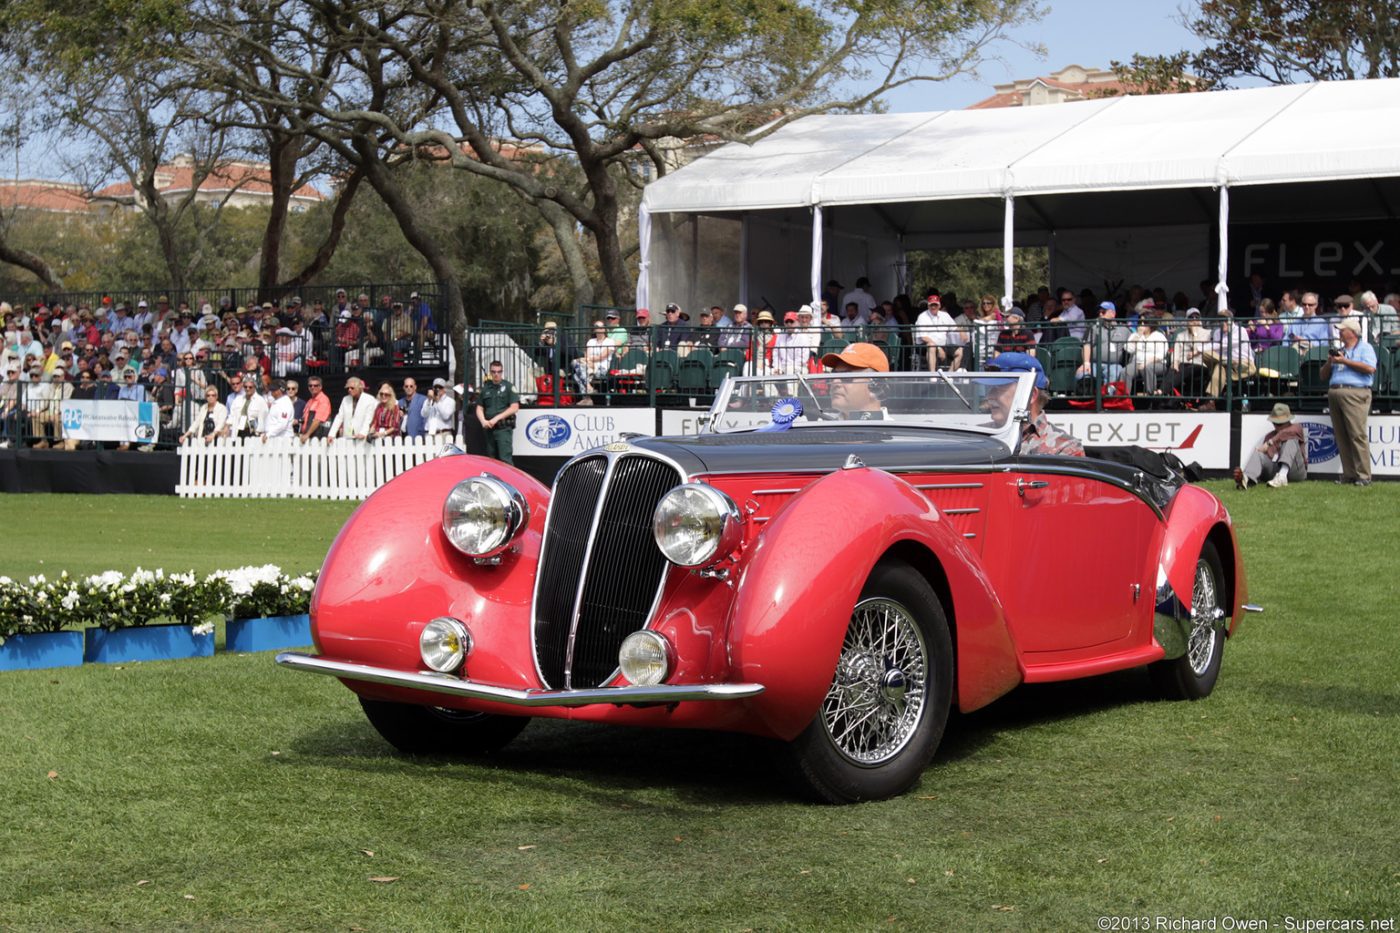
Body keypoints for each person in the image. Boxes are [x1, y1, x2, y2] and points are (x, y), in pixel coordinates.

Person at [986, 352, 1084, 456]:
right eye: (990, 388)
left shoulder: (1065, 447)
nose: (989, 396)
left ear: (1030, 394)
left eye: (1000, 388)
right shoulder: (979, 436)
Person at [1321, 316, 1377, 486]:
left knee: (1357, 434)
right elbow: (1323, 376)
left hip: (1356, 393)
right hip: (1335, 391)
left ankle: (1364, 475)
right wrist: (1330, 362)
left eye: (1342, 330)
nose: (1339, 332)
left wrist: (1345, 360)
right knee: (1341, 435)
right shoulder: (1339, 350)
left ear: (1352, 332)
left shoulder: (1365, 348)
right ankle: (1349, 474)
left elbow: (1370, 368)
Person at [1235, 403, 1306, 489]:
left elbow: (1286, 433)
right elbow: (1270, 456)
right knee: (1258, 453)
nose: (1277, 426)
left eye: (1280, 423)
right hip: (1275, 470)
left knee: (1290, 441)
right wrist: (1262, 452)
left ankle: (1282, 476)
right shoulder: (1269, 436)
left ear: (1288, 421)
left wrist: (1271, 442)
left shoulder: (1296, 428)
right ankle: (1246, 478)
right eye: (1275, 423)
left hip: (1296, 472)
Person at [819, 342, 888, 418]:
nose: (835, 382)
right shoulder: (822, 428)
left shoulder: (895, 429)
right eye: (833, 374)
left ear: (876, 385)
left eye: (846, 376)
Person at [476, 360, 520, 463]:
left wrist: (496, 418)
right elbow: (479, 407)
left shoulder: (508, 387)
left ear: (502, 372)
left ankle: (508, 480)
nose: (496, 374)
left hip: (503, 429)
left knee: (505, 459)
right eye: (494, 372)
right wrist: (483, 421)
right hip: (489, 429)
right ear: (490, 372)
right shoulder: (486, 388)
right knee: (491, 460)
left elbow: (514, 407)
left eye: (499, 372)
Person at [914, 294, 961, 372]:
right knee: (931, 346)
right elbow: (924, 337)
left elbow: (954, 328)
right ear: (928, 306)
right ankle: (933, 376)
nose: (933, 307)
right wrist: (938, 348)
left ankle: (949, 376)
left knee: (960, 351)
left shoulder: (945, 315)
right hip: (925, 346)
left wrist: (962, 332)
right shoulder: (922, 317)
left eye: (935, 305)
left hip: (944, 345)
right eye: (931, 305)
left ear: (939, 305)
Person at [1123, 319, 1170, 394]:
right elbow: (1128, 349)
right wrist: (1138, 336)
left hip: (1156, 364)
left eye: (1144, 323)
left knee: (1148, 368)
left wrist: (1146, 362)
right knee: (1125, 371)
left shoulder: (1159, 336)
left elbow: (1161, 355)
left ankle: (1151, 394)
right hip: (1136, 363)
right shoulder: (1135, 335)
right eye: (1140, 323)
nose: (1141, 325)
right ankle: (1124, 397)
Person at [327, 376, 374, 441]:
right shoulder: (345, 399)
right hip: (347, 435)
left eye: (352, 388)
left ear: (359, 388)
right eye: (348, 388)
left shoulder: (369, 399)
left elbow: (368, 418)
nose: (349, 390)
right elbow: (339, 417)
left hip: (363, 437)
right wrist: (331, 434)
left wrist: (363, 433)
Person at [298, 376, 332, 442]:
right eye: (310, 385)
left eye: (316, 385)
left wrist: (307, 434)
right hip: (308, 437)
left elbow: (318, 420)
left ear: (320, 387)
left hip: (317, 438)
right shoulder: (310, 401)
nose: (313, 387)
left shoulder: (323, 400)